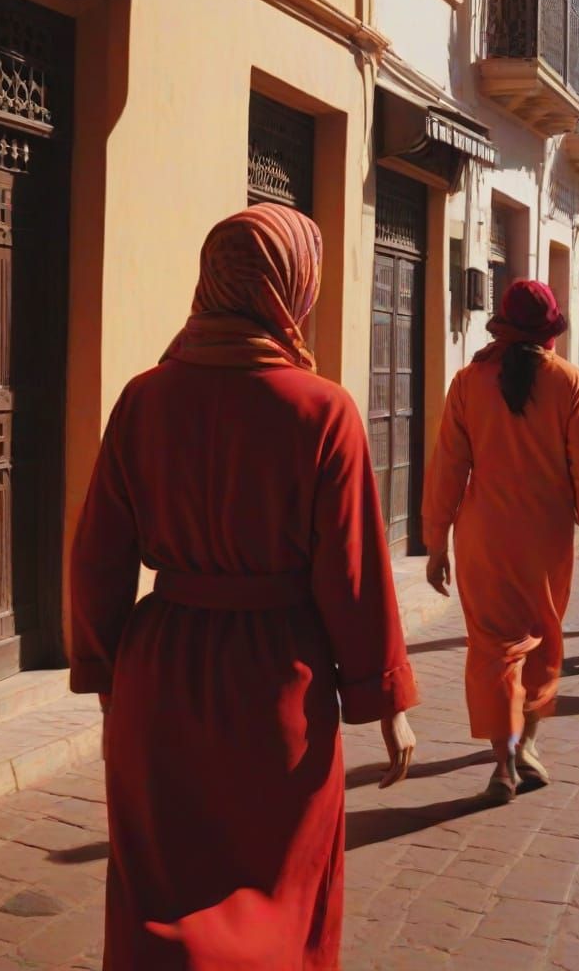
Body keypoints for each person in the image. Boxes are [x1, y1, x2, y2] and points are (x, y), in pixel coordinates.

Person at [69, 204, 419, 970]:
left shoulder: (143, 399)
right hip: (278, 682)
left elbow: (96, 555)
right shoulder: (322, 410)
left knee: (160, 892)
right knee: (279, 900)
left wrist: (105, 678)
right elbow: (353, 573)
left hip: (160, 674)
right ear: (292, 287)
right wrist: (385, 701)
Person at [422, 279, 579, 804]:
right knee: (543, 636)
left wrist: (436, 540)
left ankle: (503, 761)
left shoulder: (469, 381)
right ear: (549, 327)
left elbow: (447, 468)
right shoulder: (567, 380)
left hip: (483, 535)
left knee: (493, 648)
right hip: (544, 535)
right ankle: (527, 743)